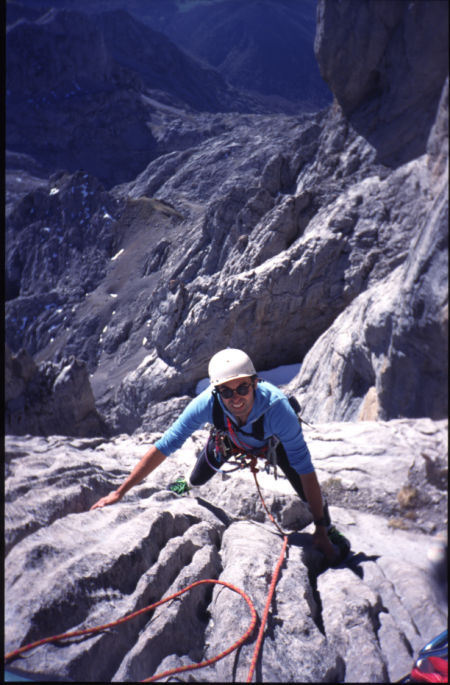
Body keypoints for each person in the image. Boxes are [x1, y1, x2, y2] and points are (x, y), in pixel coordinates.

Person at [91, 348, 350, 565]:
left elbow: (306, 469)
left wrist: (319, 528)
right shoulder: (206, 404)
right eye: (227, 391)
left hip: (272, 444)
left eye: (242, 388)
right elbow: (165, 445)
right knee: (198, 477)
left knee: (304, 487)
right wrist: (120, 492)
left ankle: (327, 527)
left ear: (255, 383)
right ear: (216, 391)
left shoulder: (278, 409)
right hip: (229, 440)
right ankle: (182, 486)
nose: (236, 397)